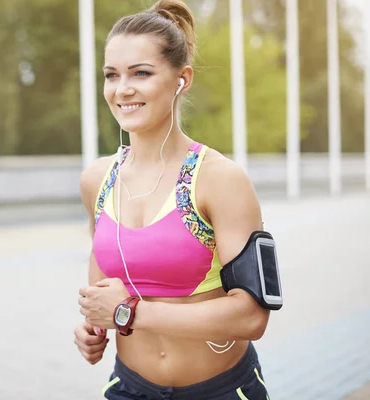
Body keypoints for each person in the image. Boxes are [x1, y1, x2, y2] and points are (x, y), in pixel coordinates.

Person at [74, 1, 273, 398]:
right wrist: (92, 328)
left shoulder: (220, 179)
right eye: (111, 75)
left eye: (141, 73)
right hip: (128, 387)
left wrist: (129, 313)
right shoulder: (97, 180)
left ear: (182, 79)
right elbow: (104, 292)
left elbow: (252, 316)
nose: (122, 88)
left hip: (220, 390)